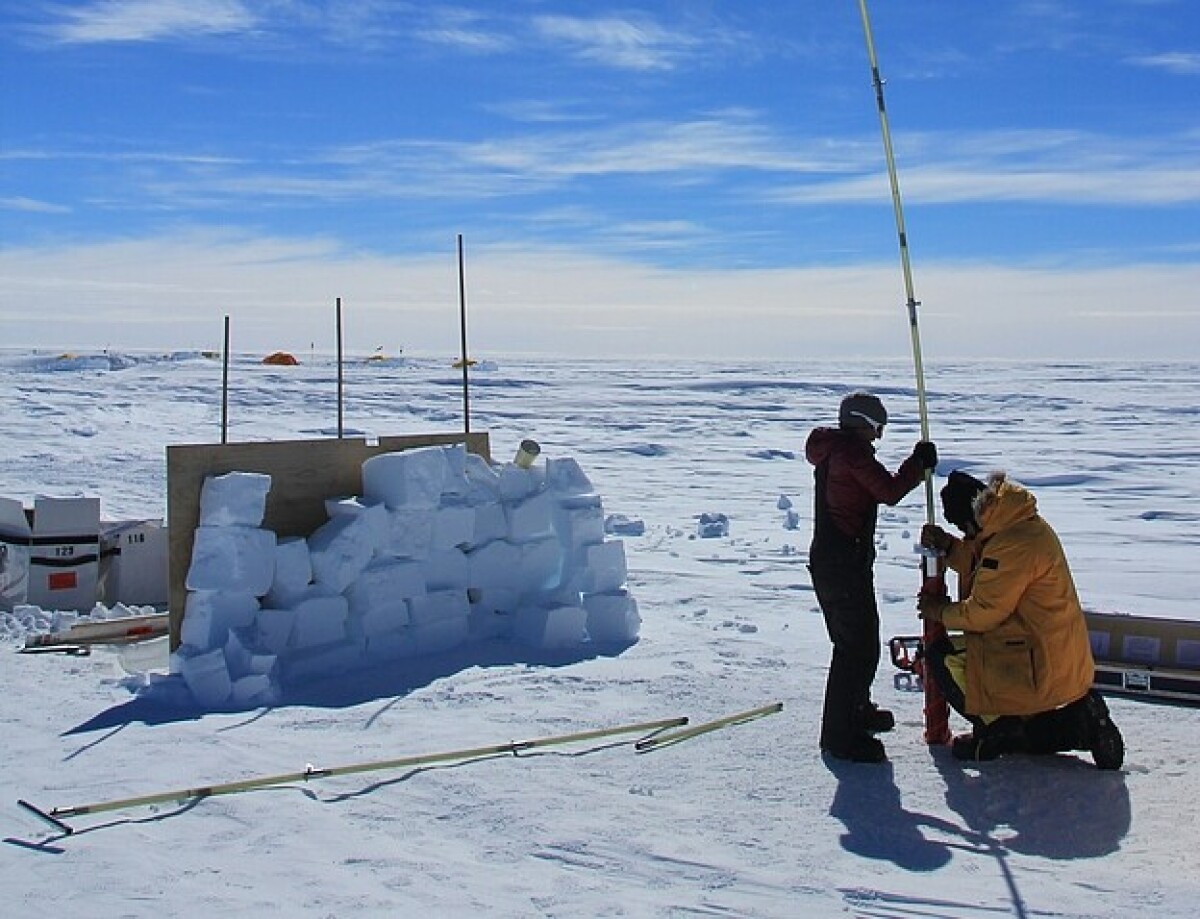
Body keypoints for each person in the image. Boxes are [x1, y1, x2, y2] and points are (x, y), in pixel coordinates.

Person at [918, 470, 1124, 769]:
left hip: (1039, 661)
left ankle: (999, 729)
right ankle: (1078, 719)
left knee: (942, 657)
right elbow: (983, 565)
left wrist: (938, 610)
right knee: (1010, 702)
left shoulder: (1011, 545)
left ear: (976, 518)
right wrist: (950, 548)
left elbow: (983, 612)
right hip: (1050, 654)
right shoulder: (1013, 524)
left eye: (965, 529)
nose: (967, 537)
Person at [807, 391, 937, 763]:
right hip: (841, 565)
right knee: (855, 648)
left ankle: (856, 710)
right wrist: (918, 463)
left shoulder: (838, 449)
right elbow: (889, 491)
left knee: (861, 642)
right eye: (877, 428)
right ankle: (839, 736)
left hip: (839, 562)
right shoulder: (850, 453)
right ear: (862, 424)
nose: (879, 436)